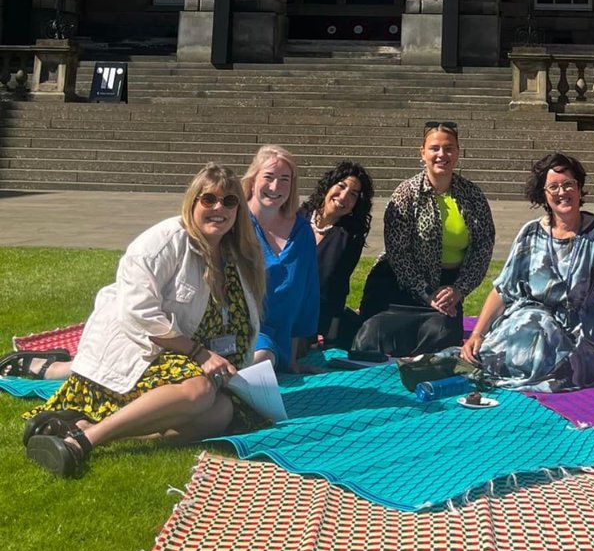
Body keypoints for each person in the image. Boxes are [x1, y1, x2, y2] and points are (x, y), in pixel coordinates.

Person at [21, 163, 264, 478]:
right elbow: (139, 313)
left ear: (238, 210)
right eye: (209, 199)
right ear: (193, 202)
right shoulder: (165, 241)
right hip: (140, 352)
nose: (219, 208)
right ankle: (81, 443)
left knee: (221, 412)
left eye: (229, 201)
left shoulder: (236, 254)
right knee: (200, 392)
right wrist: (200, 354)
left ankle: (83, 427)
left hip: (185, 361)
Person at [461, 153, 594, 392]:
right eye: (553, 187)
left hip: (577, 339)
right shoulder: (531, 233)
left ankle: (491, 370)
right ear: (544, 195)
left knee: (541, 332)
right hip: (527, 324)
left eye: (568, 184)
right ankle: (467, 365)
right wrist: (477, 334)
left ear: (579, 188)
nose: (562, 192)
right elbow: (504, 288)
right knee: (523, 329)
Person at [355, 122, 494, 356]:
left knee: (443, 336)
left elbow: (483, 247)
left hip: (446, 291)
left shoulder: (473, 196)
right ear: (422, 152)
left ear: (458, 151)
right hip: (401, 286)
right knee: (372, 336)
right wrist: (426, 293)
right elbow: (398, 254)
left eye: (449, 148)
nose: (442, 155)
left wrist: (458, 290)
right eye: (435, 148)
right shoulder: (405, 194)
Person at [243, 144, 320, 374]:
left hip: (281, 342)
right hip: (238, 334)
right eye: (268, 177)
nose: (275, 186)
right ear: (253, 178)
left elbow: (305, 297)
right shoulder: (235, 223)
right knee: (261, 360)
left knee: (266, 361)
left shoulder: (302, 232)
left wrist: (293, 359)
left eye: (285, 179)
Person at [300, 160, 374, 349]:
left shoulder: (349, 237)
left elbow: (338, 287)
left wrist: (330, 334)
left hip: (315, 317)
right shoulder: (299, 217)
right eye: (340, 186)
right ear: (328, 186)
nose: (343, 196)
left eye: (353, 194)